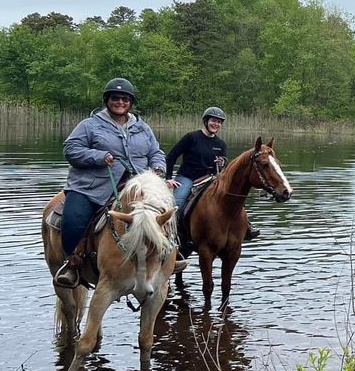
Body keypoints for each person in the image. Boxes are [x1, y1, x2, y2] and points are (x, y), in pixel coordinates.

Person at [53, 78, 167, 288]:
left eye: (125, 99)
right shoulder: (90, 125)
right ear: (107, 100)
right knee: (74, 218)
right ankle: (73, 263)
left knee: (163, 215)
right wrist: (98, 156)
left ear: (131, 102)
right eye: (115, 98)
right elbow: (70, 149)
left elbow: (156, 152)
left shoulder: (142, 128)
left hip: (136, 186)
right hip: (93, 187)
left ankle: (166, 256)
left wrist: (158, 168)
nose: (120, 102)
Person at [164, 107, 260, 241]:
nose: (216, 124)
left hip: (211, 179)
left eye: (219, 122)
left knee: (234, 198)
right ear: (206, 121)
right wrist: (168, 178)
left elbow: (226, 169)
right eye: (213, 121)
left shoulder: (221, 144)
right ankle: (172, 236)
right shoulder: (191, 137)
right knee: (177, 204)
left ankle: (247, 225)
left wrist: (223, 163)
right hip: (188, 178)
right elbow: (171, 157)